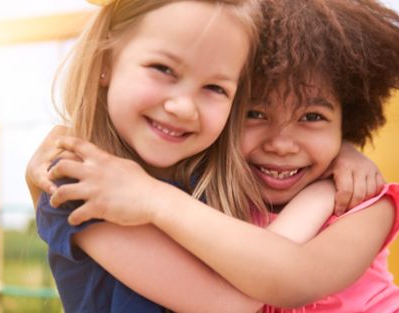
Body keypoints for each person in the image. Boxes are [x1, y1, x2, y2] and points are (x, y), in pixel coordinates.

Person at [35, 0, 399, 312]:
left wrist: (339, 159)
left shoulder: (358, 202)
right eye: (255, 113)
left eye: (313, 118)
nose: (282, 142)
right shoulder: (90, 186)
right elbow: (231, 300)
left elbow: (289, 272)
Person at [33, 0, 269, 312]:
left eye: (215, 88)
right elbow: (228, 304)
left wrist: (342, 155)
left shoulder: (219, 179)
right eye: (163, 69)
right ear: (105, 62)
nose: (183, 107)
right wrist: (320, 197)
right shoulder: (77, 185)